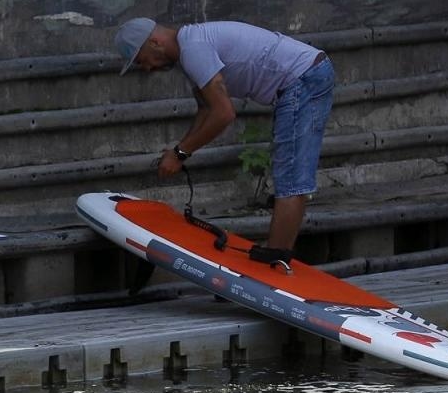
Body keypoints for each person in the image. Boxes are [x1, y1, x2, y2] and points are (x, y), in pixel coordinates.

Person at [114, 17, 335, 264]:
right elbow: (206, 109)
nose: (146, 68)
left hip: (303, 78)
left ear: (154, 42)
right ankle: (277, 254)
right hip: (305, 75)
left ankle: (276, 258)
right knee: (290, 172)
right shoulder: (190, 49)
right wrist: (179, 151)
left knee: (291, 175)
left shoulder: (193, 49)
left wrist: (180, 153)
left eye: (141, 60)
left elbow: (223, 113)